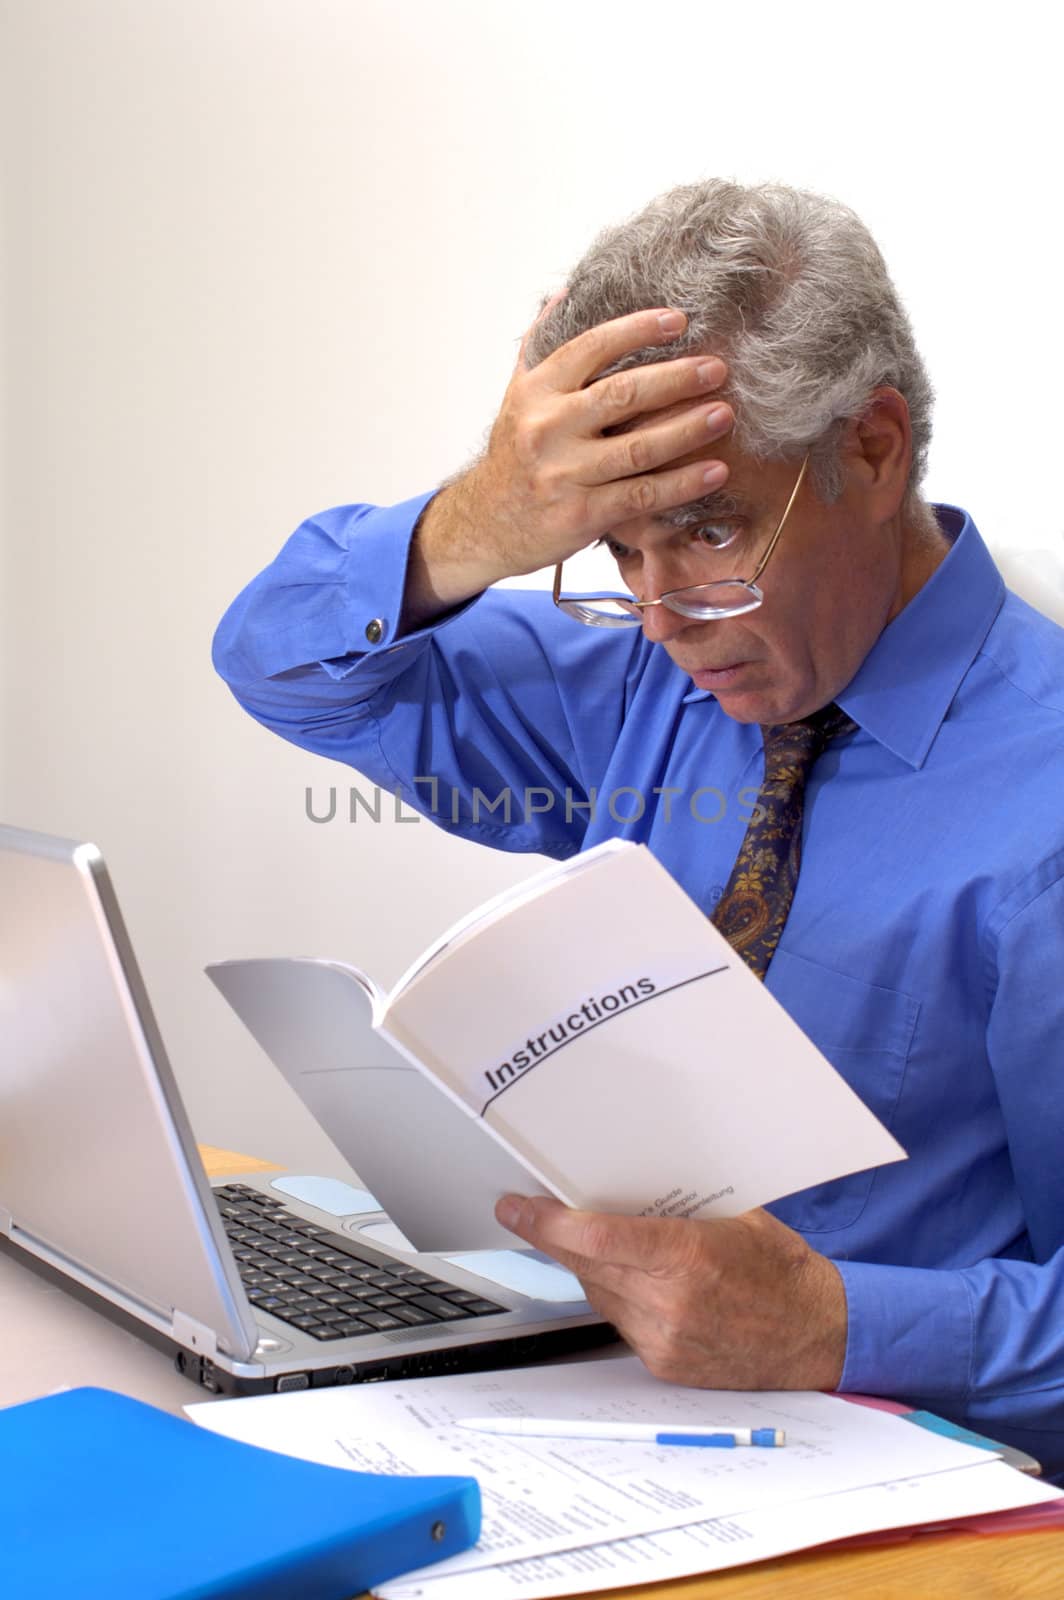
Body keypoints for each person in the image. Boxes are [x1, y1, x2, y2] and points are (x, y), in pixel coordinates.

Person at [213, 180, 1064, 1476]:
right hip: (599, 1422)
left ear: (874, 451)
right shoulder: (645, 678)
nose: (662, 613)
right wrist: (474, 522)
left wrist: (840, 1323)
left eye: (709, 531)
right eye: (616, 552)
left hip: (913, 1497)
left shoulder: (1042, 811)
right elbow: (282, 663)